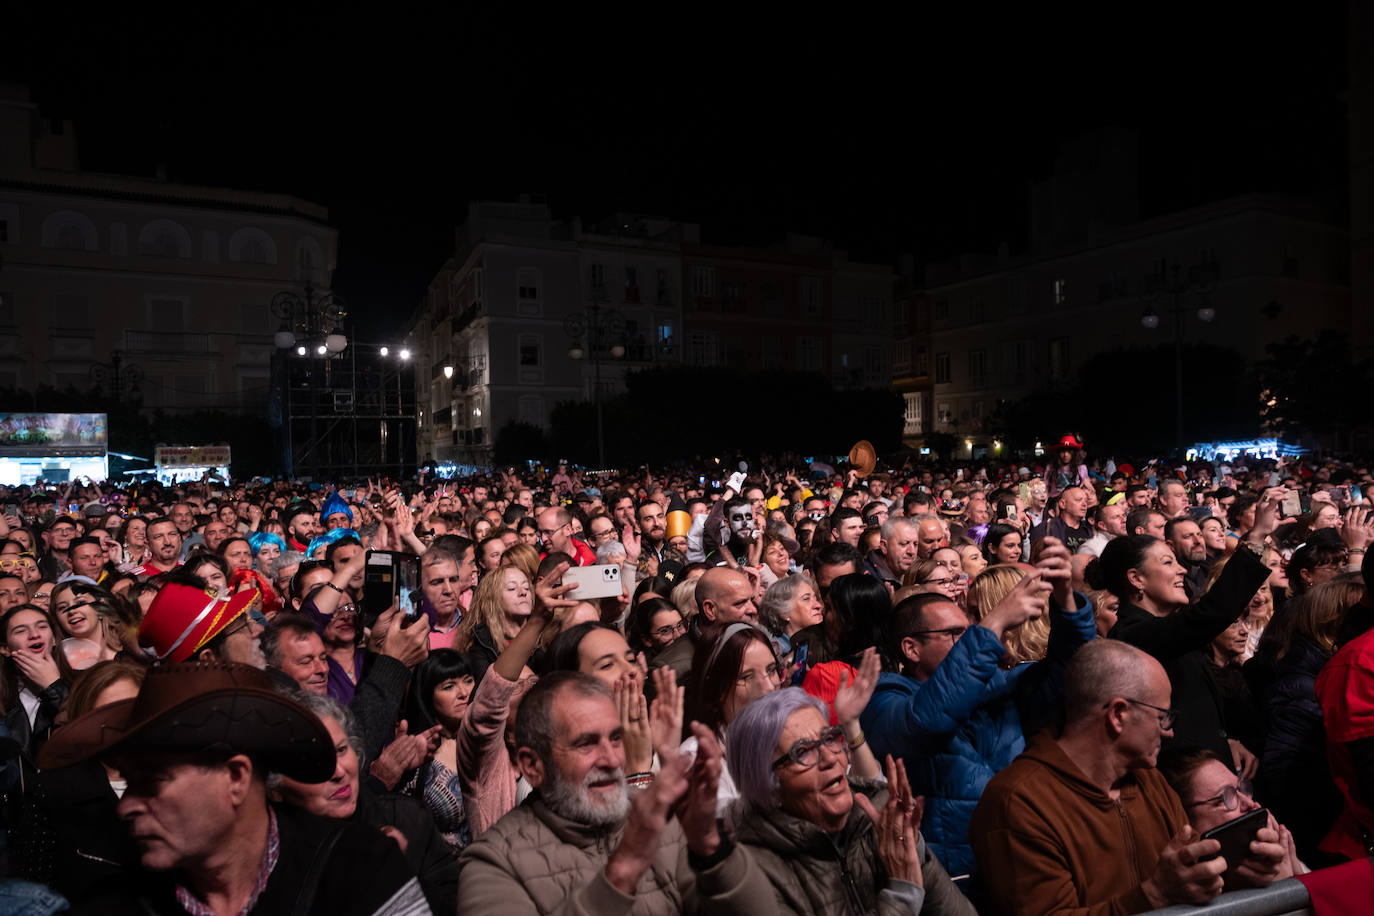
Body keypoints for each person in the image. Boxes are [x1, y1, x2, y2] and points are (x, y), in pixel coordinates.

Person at [37, 661, 429, 915]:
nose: (126, 806)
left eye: (152, 783)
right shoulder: (113, 906)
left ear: (237, 778)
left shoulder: (360, 867)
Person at [970, 639, 1287, 914]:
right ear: (1118, 715)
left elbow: (1189, 877)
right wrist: (1153, 897)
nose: (1170, 730)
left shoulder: (1149, 782)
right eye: (1162, 717)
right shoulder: (1018, 803)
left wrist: (1240, 874)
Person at [863, 538, 1095, 876]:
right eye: (956, 633)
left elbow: (1073, 668)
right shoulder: (887, 698)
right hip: (951, 876)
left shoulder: (1000, 686)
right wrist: (994, 623)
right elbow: (926, 722)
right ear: (911, 649)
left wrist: (1066, 600)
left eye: (970, 629)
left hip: (1025, 859)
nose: (971, 638)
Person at [455, 670, 771, 915]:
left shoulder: (660, 818)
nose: (611, 760)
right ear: (532, 766)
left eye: (616, 738)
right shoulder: (493, 864)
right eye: (586, 743)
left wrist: (711, 844)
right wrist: (624, 868)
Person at [727, 687, 974, 915]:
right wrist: (902, 896)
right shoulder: (751, 874)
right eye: (803, 751)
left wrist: (914, 856)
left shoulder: (878, 816)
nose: (830, 759)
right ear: (768, 785)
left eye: (830, 739)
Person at [1095, 518, 1273, 773]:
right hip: (1181, 783)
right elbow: (1211, 614)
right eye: (1168, 563)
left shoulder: (1164, 630)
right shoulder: (1133, 636)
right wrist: (1255, 540)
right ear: (1136, 578)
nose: (1182, 570)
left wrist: (1225, 742)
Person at [272, 692, 458, 914]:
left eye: (341, 750)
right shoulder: (270, 855)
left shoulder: (406, 820)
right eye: (315, 759)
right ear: (276, 783)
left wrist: (400, 874)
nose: (338, 771)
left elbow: (453, 904)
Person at [1158, 749, 1306, 884]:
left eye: (1241, 790)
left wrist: (1300, 882)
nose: (1250, 803)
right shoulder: (1184, 892)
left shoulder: (1279, 857)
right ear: (1186, 820)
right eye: (1225, 798)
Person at [0, 604, 74, 762]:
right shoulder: (3, 695)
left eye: (42, 626)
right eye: (20, 631)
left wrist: (55, 686)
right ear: (5, 648)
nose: (34, 635)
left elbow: (87, 734)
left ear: (53, 638)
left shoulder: (80, 682)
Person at [863, 517, 919, 591]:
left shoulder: (920, 575)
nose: (912, 551)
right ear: (884, 546)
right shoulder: (867, 579)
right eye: (904, 544)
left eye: (915, 544)